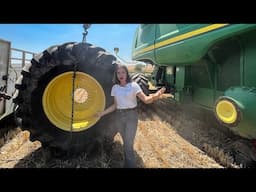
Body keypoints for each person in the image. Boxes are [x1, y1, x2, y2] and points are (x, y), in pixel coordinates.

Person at [95, 64, 166, 168]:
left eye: (123, 72)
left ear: (127, 73)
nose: (120, 75)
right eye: (118, 73)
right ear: (116, 75)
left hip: (131, 117)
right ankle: (127, 163)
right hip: (119, 117)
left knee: (128, 145)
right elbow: (115, 105)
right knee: (126, 144)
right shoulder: (115, 88)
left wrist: (157, 95)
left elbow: (146, 100)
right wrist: (102, 113)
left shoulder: (133, 85)